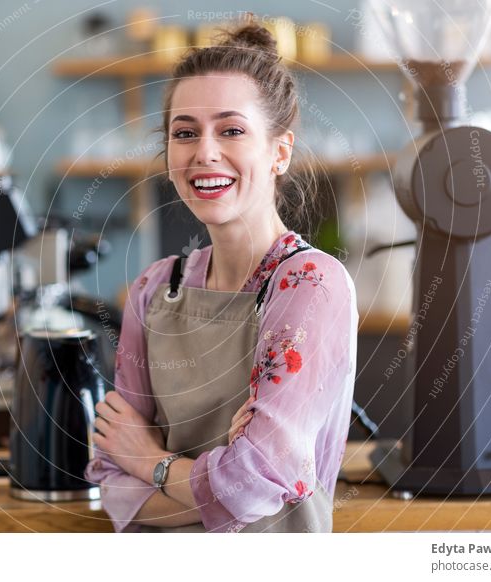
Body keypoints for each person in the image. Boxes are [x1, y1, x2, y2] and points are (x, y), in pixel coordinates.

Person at [84, 23, 358, 533]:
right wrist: (220, 482)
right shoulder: (153, 289)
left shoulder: (310, 284)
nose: (204, 152)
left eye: (231, 130)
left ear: (280, 152)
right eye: (185, 133)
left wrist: (149, 460)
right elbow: (109, 478)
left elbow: (251, 482)